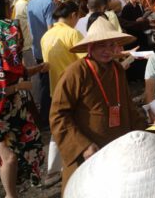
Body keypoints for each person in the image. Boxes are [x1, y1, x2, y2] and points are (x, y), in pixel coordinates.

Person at [49, 17, 146, 192]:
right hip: (88, 152)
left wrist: (145, 132)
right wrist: (82, 146)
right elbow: (58, 115)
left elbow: (128, 107)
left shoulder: (117, 70)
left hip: (119, 150)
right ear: (90, 46)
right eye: (101, 45)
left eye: (111, 45)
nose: (107, 51)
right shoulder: (76, 72)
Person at [0, 0, 47, 197]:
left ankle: (12, 190)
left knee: (18, 152)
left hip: (13, 106)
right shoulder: (4, 33)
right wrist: (17, 86)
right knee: (9, 157)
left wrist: (36, 69)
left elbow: (12, 71)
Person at [40, 1, 83, 186]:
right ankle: (75, 163)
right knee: (78, 125)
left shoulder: (46, 35)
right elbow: (85, 61)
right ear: (73, 15)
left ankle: (52, 170)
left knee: (57, 127)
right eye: (78, 16)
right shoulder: (72, 33)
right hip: (74, 88)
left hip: (54, 88)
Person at [28, 0, 63, 129]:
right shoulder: (49, 3)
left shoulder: (32, 1)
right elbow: (51, 29)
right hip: (49, 50)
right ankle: (45, 120)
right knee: (48, 87)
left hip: (37, 47)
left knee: (44, 85)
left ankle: (44, 119)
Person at [12, 0, 39, 69]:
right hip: (29, 45)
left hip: (28, 44)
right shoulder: (25, 4)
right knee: (35, 74)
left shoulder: (22, 3)